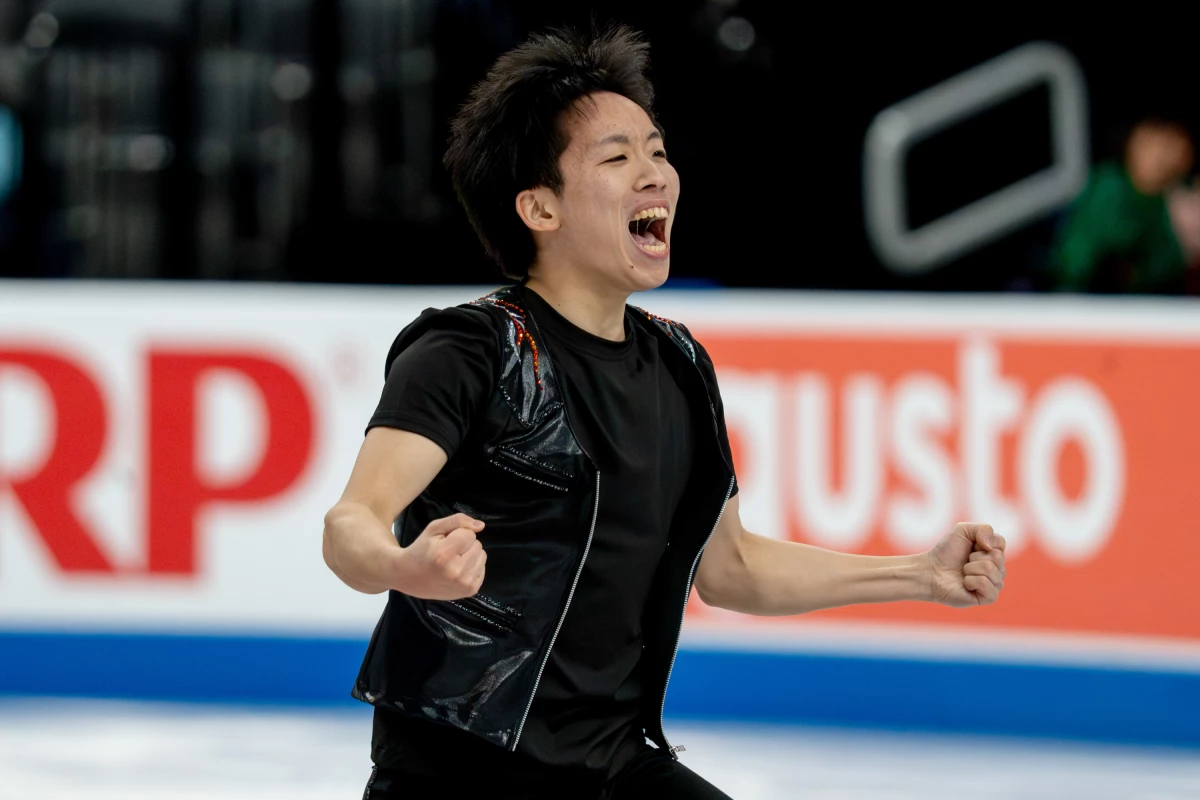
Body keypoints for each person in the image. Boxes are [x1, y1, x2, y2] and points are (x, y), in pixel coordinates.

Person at [322, 24, 1007, 800]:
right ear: (539, 209)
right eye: (617, 159)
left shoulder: (679, 366)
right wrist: (406, 567)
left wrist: (919, 573)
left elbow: (732, 567)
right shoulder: (468, 351)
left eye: (656, 150)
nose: (655, 174)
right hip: (459, 773)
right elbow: (350, 526)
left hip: (616, 767)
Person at [1052, 118, 1195, 294]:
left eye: (1172, 146)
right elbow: (1077, 264)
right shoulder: (1110, 188)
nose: (1161, 157)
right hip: (1085, 301)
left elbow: (1166, 265)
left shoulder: (1170, 200)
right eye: (1152, 144)